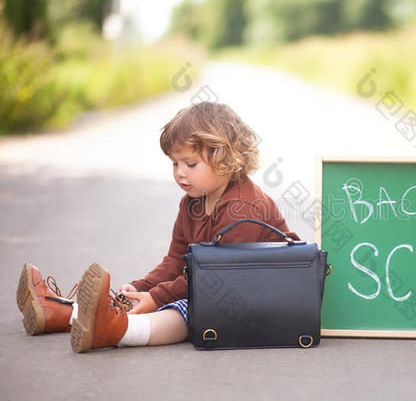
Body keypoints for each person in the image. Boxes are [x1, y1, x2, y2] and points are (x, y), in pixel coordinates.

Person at [16, 102, 300, 353]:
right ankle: (64, 312)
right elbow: (176, 261)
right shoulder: (191, 204)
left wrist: (156, 297)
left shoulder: (243, 207)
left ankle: (119, 331)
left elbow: (213, 278)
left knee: (188, 306)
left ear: (226, 159)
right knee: (169, 297)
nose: (179, 172)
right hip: (220, 287)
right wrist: (141, 288)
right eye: (174, 163)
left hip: (260, 300)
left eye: (190, 163)